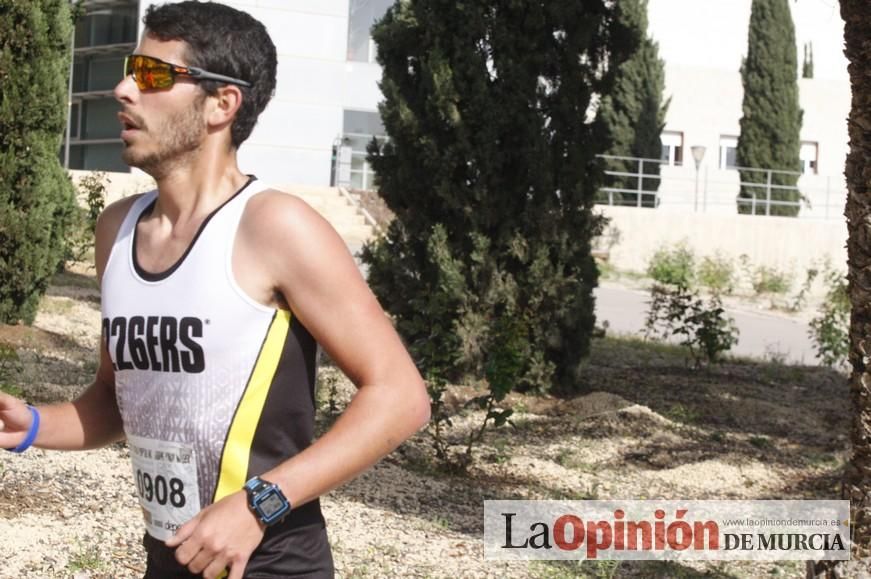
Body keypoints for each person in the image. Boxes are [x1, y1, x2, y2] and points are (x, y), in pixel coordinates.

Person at [0, 2, 430, 578]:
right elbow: (114, 400)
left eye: (152, 76)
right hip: (170, 557)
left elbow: (400, 398)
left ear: (222, 104)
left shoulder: (274, 226)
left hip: (272, 562)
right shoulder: (118, 229)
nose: (124, 89)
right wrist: (26, 424)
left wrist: (260, 504)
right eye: (130, 69)